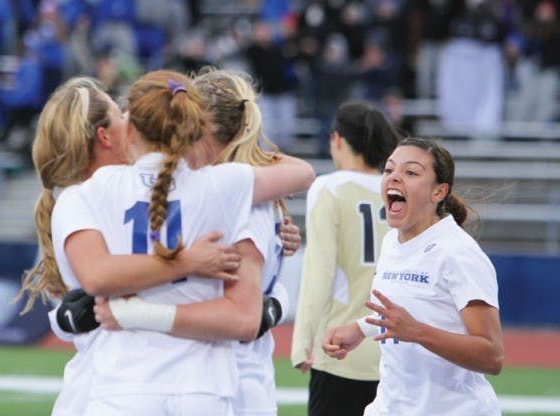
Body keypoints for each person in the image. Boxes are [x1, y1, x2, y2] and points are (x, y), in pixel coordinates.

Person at [25, 70, 314, 415]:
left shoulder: (80, 195)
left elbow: (91, 286)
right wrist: (187, 262)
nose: (124, 116)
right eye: (118, 112)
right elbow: (302, 173)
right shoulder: (226, 186)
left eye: (125, 112)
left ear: (133, 129)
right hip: (205, 382)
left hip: (120, 381)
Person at [323, 137, 504, 415]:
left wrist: (417, 333)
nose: (394, 178)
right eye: (389, 170)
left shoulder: (458, 253)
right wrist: (361, 328)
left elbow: (492, 356)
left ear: (438, 192)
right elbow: (408, 310)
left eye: (410, 172)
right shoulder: (392, 242)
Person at [290, 101, 401, 416]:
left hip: (339, 346)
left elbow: (319, 272)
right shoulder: (394, 189)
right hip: (393, 350)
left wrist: (303, 341)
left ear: (337, 139)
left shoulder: (329, 188)